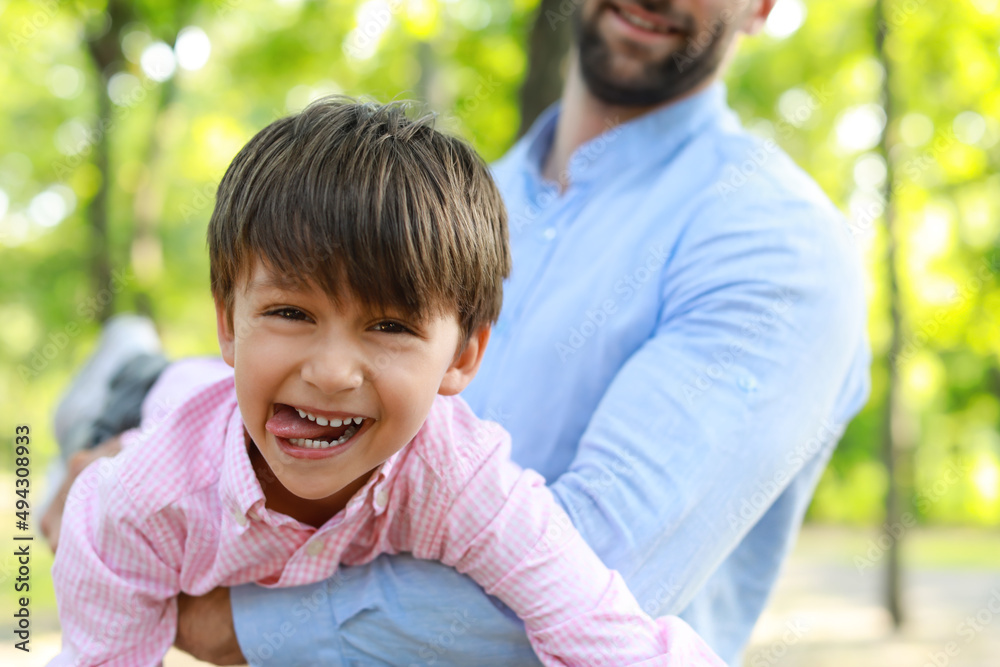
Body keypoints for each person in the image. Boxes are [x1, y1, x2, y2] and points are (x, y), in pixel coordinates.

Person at [48, 0, 871, 664]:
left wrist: (224, 620)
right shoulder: (460, 195)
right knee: (178, 403)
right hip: (190, 443)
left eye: (392, 326)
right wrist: (103, 517)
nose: (338, 365)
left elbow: (598, 578)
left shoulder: (772, 241)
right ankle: (133, 382)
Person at [49, 99, 725, 666]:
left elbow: (599, 626)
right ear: (228, 321)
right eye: (291, 312)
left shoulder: (460, 478)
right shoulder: (140, 503)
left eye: (390, 327)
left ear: (463, 355)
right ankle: (123, 358)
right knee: (96, 431)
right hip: (150, 403)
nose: (333, 371)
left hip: (234, 394)